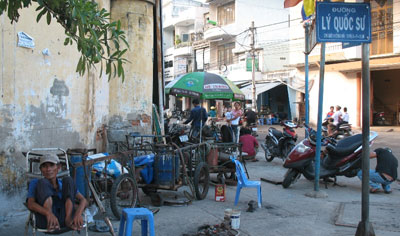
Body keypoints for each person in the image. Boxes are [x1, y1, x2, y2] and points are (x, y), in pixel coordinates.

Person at [27, 154, 87, 231]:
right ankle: (52, 221)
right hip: (45, 219)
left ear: (58, 167)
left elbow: (84, 200)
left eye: (52, 165)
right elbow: (30, 204)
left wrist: (78, 214)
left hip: (65, 218)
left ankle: (68, 219)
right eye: (44, 166)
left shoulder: (63, 184)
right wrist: (48, 214)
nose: (48, 169)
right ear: (41, 169)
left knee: (68, 179)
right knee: (42, 182)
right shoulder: (36, 183)